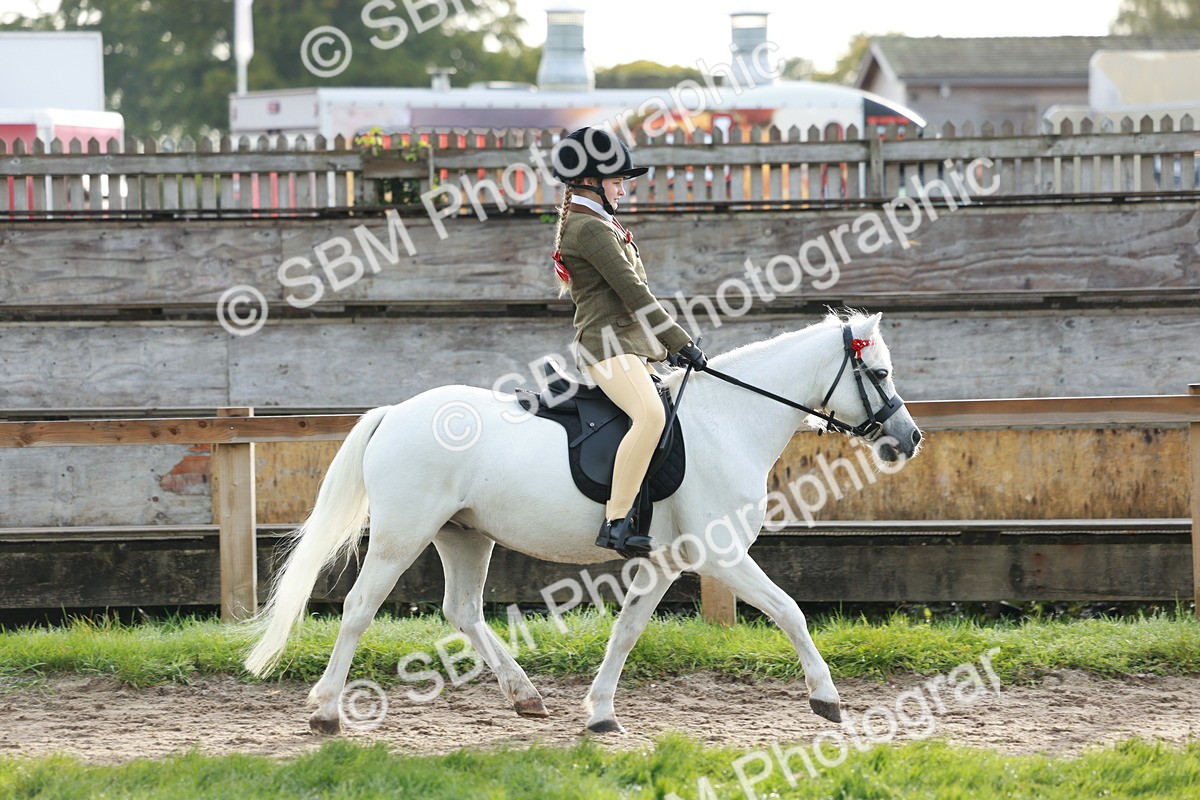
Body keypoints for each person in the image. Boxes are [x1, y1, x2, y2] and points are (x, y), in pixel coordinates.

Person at [550, 127, 707, 557]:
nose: (623, 190)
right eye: (617, 181)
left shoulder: (600, 222)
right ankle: (616, 522)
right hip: (607, 347)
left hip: (628, 345)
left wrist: (667, 347)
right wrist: (679, 341)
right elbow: (634, 293)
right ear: (591, 181)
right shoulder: (590, 229)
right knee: (650, 416)